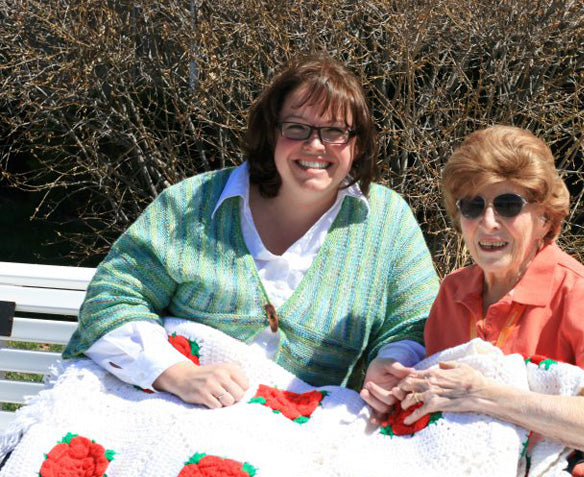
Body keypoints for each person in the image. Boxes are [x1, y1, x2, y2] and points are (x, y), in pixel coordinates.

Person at [62, 55, 439, 411]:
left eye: (335, 132)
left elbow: (415, 321)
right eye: (297, 128)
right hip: (171, 411)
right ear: (271, 133)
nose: (315, 145)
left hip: (300, 438)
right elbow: (111, 299)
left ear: (356, 144)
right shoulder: (192, 204)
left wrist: (390, 361)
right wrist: (176, 375)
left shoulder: (388, 221)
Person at [383, 125, 584, 460]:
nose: (488, 222)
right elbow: (438, 392)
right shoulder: (453, 290)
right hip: (446, 457)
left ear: (544, 218)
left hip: (540, 475)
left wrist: (481, 394)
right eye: (472, 206)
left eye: (508, 205)